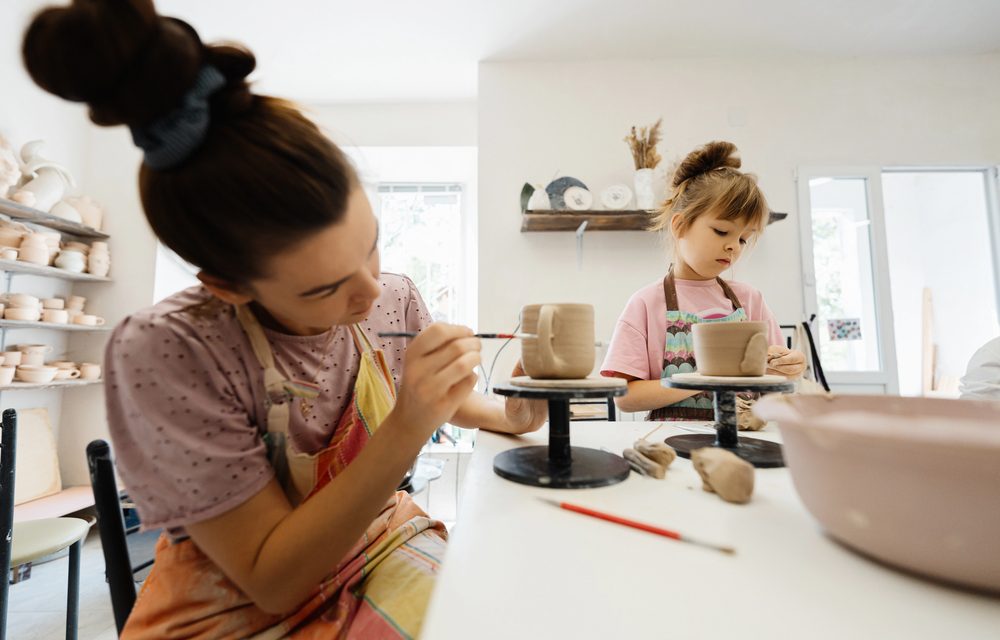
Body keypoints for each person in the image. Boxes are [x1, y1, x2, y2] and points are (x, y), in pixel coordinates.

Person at [22, 1, 546, 637]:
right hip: (236, 611)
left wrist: (520, 407)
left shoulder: (388, 296)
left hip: (378, 550)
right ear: (228, 284)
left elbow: (464, 407)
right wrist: (407, 424)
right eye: (325, 286)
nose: (370, 290)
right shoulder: (172, 351)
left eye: (371, 242)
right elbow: (271, 580)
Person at [600, 140, 805, 420]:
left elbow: (775, 384)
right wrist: (704, 377)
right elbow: (625, 397)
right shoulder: (646, 304)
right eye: (722, 232)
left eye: (743, 238)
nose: (734, 246)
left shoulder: (749, 300)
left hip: (742, 439)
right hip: (670, 443)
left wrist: (790, 368)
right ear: (680, 225)